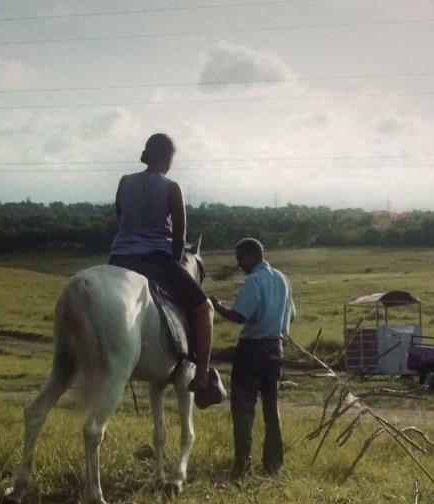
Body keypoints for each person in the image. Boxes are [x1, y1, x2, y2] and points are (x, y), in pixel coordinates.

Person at [107, 133, 218, 406]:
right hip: (155, 260)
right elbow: (180, 234)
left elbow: (121, 218)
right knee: (204, 309)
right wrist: (175, 259)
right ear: (168, 157)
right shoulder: (171, 187)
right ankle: (202, 375)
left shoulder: (124, 182)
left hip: (119, 259)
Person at [210, 238, 295, 477]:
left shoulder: (254, 281)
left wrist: (217, 306)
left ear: (252, 255)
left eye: (240, 258)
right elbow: (293, 315)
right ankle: (273, 464)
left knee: (243, 408)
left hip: (251, 351)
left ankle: (242, 464)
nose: (239, 264)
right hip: (275, 349)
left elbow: (239, 317)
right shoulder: (282, 279)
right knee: (271, 407)